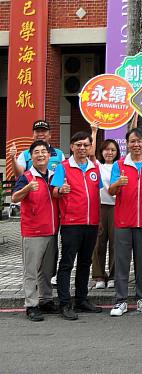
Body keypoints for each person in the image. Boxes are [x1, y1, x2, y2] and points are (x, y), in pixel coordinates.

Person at [50, 131, 103, 320]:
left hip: (91, 223)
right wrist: (60, 190)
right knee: (66, 264)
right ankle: (65, 303)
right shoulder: (63, 167)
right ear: (71, 146)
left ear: (90, 148)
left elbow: (97, 194)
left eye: (85, 145)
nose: (82, 148)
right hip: (71, 223)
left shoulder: (94, 168)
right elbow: (54, 192)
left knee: (85, 263)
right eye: (78, 145)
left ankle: (81, 299)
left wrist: (99, 222)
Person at [107, 128, 142, 316]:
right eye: (132, 141)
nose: (136, 144)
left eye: (139, 141)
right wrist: (117, 184)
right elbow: (111, 192)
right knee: (121, 262)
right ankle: (120, 301)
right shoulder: (119, 165)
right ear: (127, 144)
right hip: (123, 221)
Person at [12, 140, 60, 321]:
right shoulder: (26, 176)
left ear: (49, 155)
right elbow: (15, 197)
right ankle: (31, 305)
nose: (40, 155)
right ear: (31, 157)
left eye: (44, 152)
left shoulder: (54, 175)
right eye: (36, 152)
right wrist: (27, 188)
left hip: (53, 230)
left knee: (47, 270)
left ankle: (46, 300)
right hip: (33, 231)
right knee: (31, 271)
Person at [91, 139, 119, 290]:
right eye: (106, 149)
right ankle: (99, 276)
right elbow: (90, 152)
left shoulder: (120, 166)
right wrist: (94, 132)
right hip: (100, 207)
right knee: (98, 242)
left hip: (116, 208)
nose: (109, 152)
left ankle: (114, 276)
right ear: (101, 151)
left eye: (113, 150)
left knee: (116, 243)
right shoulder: (98, 166)